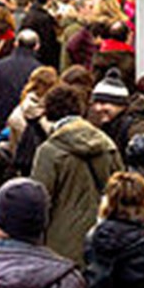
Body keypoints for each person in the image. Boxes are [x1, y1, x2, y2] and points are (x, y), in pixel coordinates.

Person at [31, 85, 119, 263]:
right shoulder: (107, 145)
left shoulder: (49, 151)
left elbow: (39, 200)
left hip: (60, 242)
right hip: (104, 238)